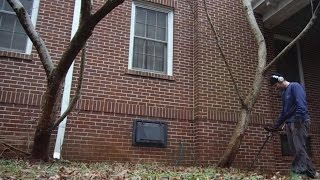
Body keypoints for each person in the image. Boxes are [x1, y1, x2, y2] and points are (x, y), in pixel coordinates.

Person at [265, 73, 318, 178]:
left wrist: (298, 119)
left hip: (299, 121)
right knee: (295, 149)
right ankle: (313, 173)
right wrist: (274, 127)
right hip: (290, 123)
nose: (276, 88)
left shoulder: (295, 86)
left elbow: (301, 103)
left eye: (276, 85)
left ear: (280, 80)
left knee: (299, 147)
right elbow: (284, 113)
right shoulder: (284, 94)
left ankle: (298, 172)